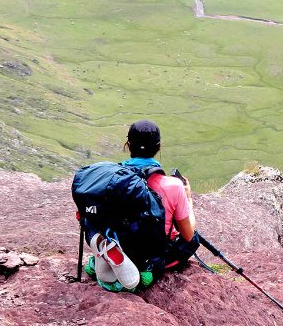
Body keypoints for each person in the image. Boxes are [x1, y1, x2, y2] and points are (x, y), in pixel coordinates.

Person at [85, 119, 199, 291]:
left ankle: (105, 258)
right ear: (158, 147)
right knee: (192, 240)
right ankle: (148, 270)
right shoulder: (174, 186)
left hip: (117, 243)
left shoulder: (111, 180)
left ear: (128, 145)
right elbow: (188, 234)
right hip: (149, 254)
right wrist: (188, 198)